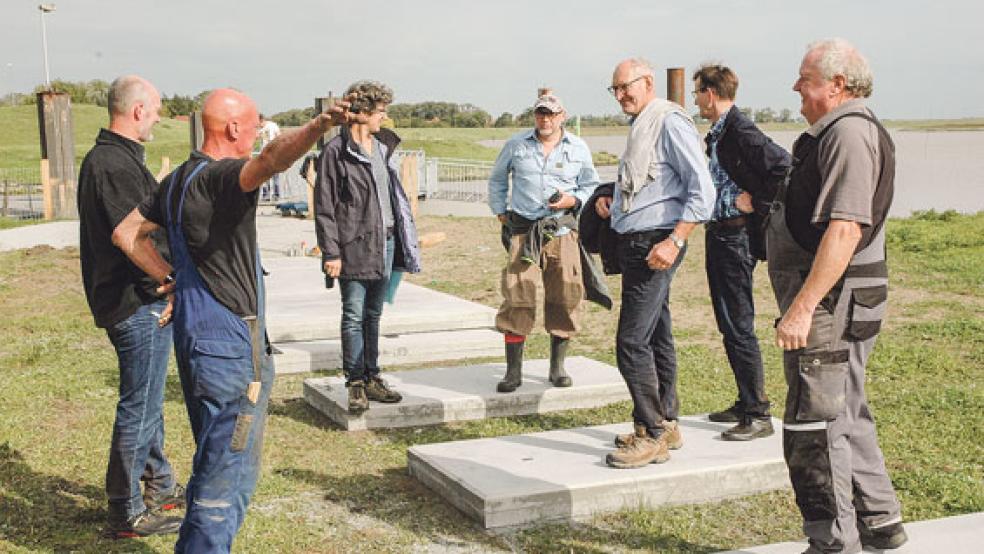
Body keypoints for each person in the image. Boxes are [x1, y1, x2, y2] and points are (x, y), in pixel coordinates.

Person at [113, 88, 350, 553]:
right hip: (229, 348)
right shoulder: (220, 177)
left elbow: (126, 233)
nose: (259, 135)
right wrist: (319, 126)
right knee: (224, 476)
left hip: (198, 340)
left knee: (217, 460)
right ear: (234, 128)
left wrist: (170, 278)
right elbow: (271, 161)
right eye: (256, 126)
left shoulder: (178, 180)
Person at [769, 38, 906, 552]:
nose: (796, 87)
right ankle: (880, 521)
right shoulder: (835, 131)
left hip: (833, 302)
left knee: (817, 422)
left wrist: (802, 308)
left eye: (805, 79)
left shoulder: (848, 133)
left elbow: (846, 229)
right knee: (845, 408)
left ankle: (832, 542)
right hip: (841, 296)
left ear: (837, 85)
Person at [77, 74, 184, 538]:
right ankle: (125, 509)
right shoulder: (112, 164)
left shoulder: (115, 158)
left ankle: (160, 484)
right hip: (135, 302)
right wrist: (168, 281)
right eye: (155, 109)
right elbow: (132, 238)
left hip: (136, 298)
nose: (158, 117)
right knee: (140, 405)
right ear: (138, 110)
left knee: (149, 400)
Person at [597, 59, 715, 469]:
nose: (619, 96)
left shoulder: (667, 121)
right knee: (656, 333)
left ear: (647, 82)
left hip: (655, 244)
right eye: (614, 89)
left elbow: (703, 190)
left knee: (631, 342)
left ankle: (652, 434)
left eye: (625, 87)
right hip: (640, 241)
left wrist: (675, 240)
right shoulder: (644, 123)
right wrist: (612, 201)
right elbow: (651, 184)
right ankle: (667, 420)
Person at [692, 64, 791, 441]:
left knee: (738, 323)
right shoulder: (720, 131)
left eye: (697, 92)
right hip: (720, 234)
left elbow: (785, 168)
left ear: (711, 93)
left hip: (735, 237)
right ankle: (744, 400)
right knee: (727, 322)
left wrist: (759, 202)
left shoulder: (740, 129)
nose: (695, 100)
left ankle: (757, 413)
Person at [314, 80, 421, 414]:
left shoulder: (383, 147)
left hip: (386, 242)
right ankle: (355, 383)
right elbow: (325, 207)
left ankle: (372, 376)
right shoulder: (335, 152)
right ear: (360, 113)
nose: (383, 118)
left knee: (373, 314)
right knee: (353, 314)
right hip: (353, 247)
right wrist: (331, 252)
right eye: (380, 112)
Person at [487, 93, 601, 392]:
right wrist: (500, 210)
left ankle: (557, 367)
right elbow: (497, 179)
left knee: (566, 295)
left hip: (562, 231)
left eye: (551, 114)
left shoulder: (578, 147)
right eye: (540, 113)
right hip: (524, 232)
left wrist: (572, 200)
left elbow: (591, 186)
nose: (545, 119)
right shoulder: (516, 145)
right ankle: (513, 372)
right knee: (517, 295)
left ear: (562, 116)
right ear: (534, 115)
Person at [258, 114, 281, 201]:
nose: (258, 126)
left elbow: (279, 137)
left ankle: (276, 195)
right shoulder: (260, 129)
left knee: (275, 176)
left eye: (259, 123)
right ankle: (266, 195)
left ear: (262, 120)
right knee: (264, 176)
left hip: (274, 154)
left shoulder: (273, 125)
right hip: (264, 155)